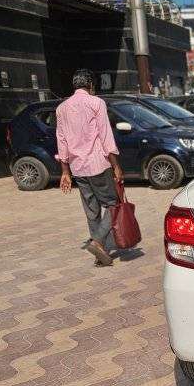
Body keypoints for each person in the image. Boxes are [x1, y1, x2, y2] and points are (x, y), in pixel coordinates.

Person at [56, 69, 124, 267]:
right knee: (114, 205)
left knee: (91, 211)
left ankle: (99, 254)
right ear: (91, 85)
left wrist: (65, 171)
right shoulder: (96, 103)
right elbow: (105, 135)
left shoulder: (62, 108)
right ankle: (97, 242)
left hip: (77, 168)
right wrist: (116, 166)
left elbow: (61, 140)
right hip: (97, 164)